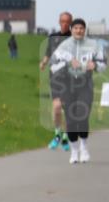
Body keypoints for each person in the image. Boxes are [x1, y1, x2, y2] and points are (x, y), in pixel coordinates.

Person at [49, 18, 107, 164]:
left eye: (81, 28)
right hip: (68, 84)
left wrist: (95, 66)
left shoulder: (93, 45)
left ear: (84, 30)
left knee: (83, 116)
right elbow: (53, 65)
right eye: (76, 28)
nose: (79, 31)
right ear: (72, 30)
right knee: (70, 119)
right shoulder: (64, 45)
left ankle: (84, 147)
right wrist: (68, 61)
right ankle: (74, 151)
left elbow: (103, 64)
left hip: (85, 84)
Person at [40, 11, 74, 151]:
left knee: (67, 110)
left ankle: (65, 137)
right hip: (55, 78)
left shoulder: (75, 39)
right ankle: (57, 135)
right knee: (57, 108)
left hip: (71, 79)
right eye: (63, 21)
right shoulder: (53, 38)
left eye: (67, 21)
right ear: (59, 22)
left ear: (71, 23)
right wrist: (43, 62)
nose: (65, 23)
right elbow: (48, 53)